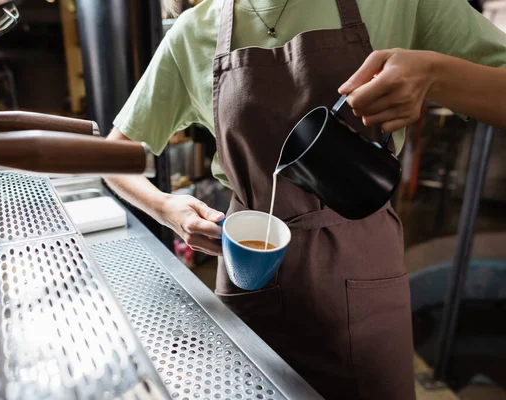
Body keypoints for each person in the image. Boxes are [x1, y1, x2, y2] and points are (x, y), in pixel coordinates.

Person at [105, 0, 506, 398]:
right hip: (250, 276)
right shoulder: (193, 32)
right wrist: (165, 208)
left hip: (362, 270)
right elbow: (112, 157)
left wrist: (435, 75)